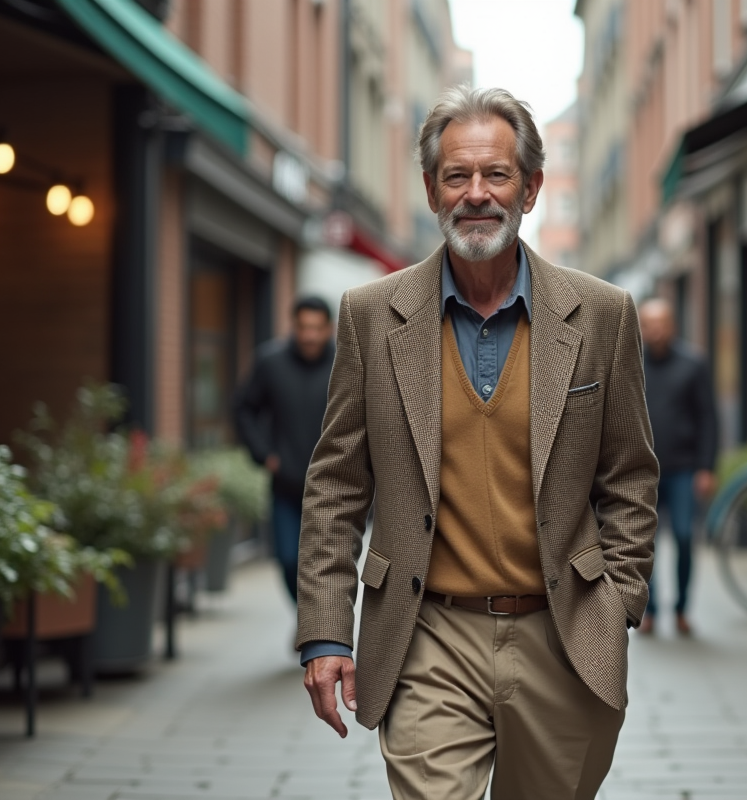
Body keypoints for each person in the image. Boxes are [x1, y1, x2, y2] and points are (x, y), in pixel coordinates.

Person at [296, 86, 658, 800]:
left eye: (496, 174)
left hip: (564, 633)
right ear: (431, 189)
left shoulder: (603, 315)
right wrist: (326, 632)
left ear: (532, 186)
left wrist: (618, 603)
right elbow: (336, 483)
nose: (477, 194)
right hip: (428, 632)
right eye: (456, 176)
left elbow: (629, 476)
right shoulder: (371, 315)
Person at [234, 296, 335, 604]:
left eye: (317, 328)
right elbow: (244, 409)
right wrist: (264, 454)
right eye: (303, 327)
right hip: (286, 485)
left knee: (327, 564)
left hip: (333, 486)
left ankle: (319, 628)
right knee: (289, 559)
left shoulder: (345, 362)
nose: (310, 336)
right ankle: (307, 618)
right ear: (293, 326)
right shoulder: (270, 362)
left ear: (329, 329)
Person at [637, 297, 718, 636]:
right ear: (641, 327)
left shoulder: (693, 364)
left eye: (662, 322)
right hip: (643, 469)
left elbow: (708, 418)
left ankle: (682, 608)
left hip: (684, 468)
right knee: (644, 543)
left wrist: (706, 467)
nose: (656, 330)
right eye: (649, 323)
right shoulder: (630, 363)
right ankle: (650, 610)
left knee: (685, 537)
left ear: (673, 325)